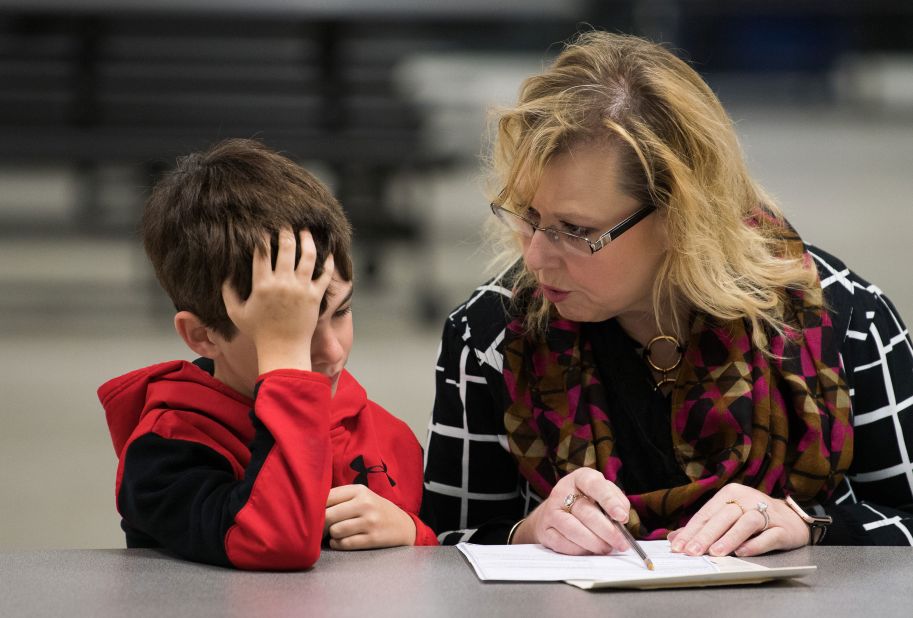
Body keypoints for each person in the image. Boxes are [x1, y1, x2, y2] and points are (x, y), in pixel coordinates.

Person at [422, 31, 913, 557]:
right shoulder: (491, 336)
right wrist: (528, 531)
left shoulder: (844, 319)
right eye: (529, 216)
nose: (537, 257)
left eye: (575, 229)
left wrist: (809, 526)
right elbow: (440, 547)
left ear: (682, 218)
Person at [98, 138, 437, 571]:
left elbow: (444, 564)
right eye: (288, 328)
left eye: (342, 312)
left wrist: (413, 533)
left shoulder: (387, 434)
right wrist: (286, 364)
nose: (331, 352)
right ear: (202, 336)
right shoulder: (164, 453)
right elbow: (278, 544)